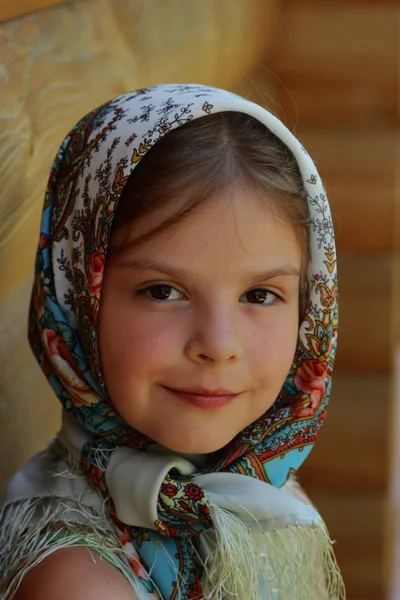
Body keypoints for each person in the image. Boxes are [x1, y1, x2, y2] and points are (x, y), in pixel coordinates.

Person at [0, 84, 344, 599]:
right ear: (77, 302)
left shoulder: (250, 491)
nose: (218, 344)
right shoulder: (77, 581)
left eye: (260, 294)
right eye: (163, 291)